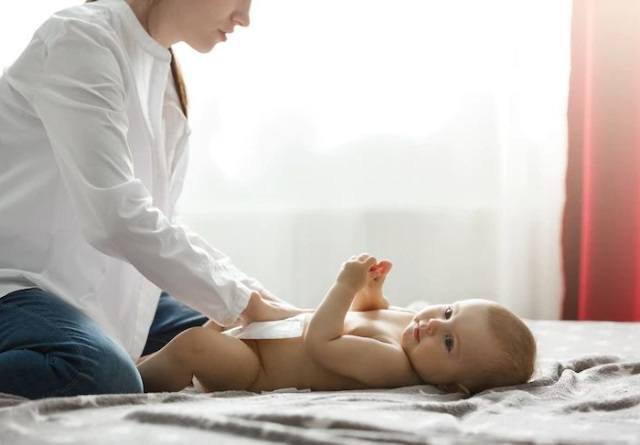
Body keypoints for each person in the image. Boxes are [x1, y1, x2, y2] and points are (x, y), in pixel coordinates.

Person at [0, 0, 302, 400]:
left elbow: (158, 221)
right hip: (18, 287)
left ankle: (128, 360)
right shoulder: (79, 39)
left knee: (253, 342)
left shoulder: (162, 77)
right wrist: (243, 300)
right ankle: (121, 363)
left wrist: (258, 299)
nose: (244, 17)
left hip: (107, 293)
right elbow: (115, 218)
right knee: (99, 372)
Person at [138, 254, 537, 395]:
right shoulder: (411, 328)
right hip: (270, 331)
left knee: (195, 345)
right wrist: (371, 292)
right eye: (448, 312)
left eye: (449, 343)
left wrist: (345, 287)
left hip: (256, 368)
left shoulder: (394, 364)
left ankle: (133, 381)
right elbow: (367, 315)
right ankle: (142, 361)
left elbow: (323, 342)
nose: (434, 325)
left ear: (452, 386)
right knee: (225, 306)